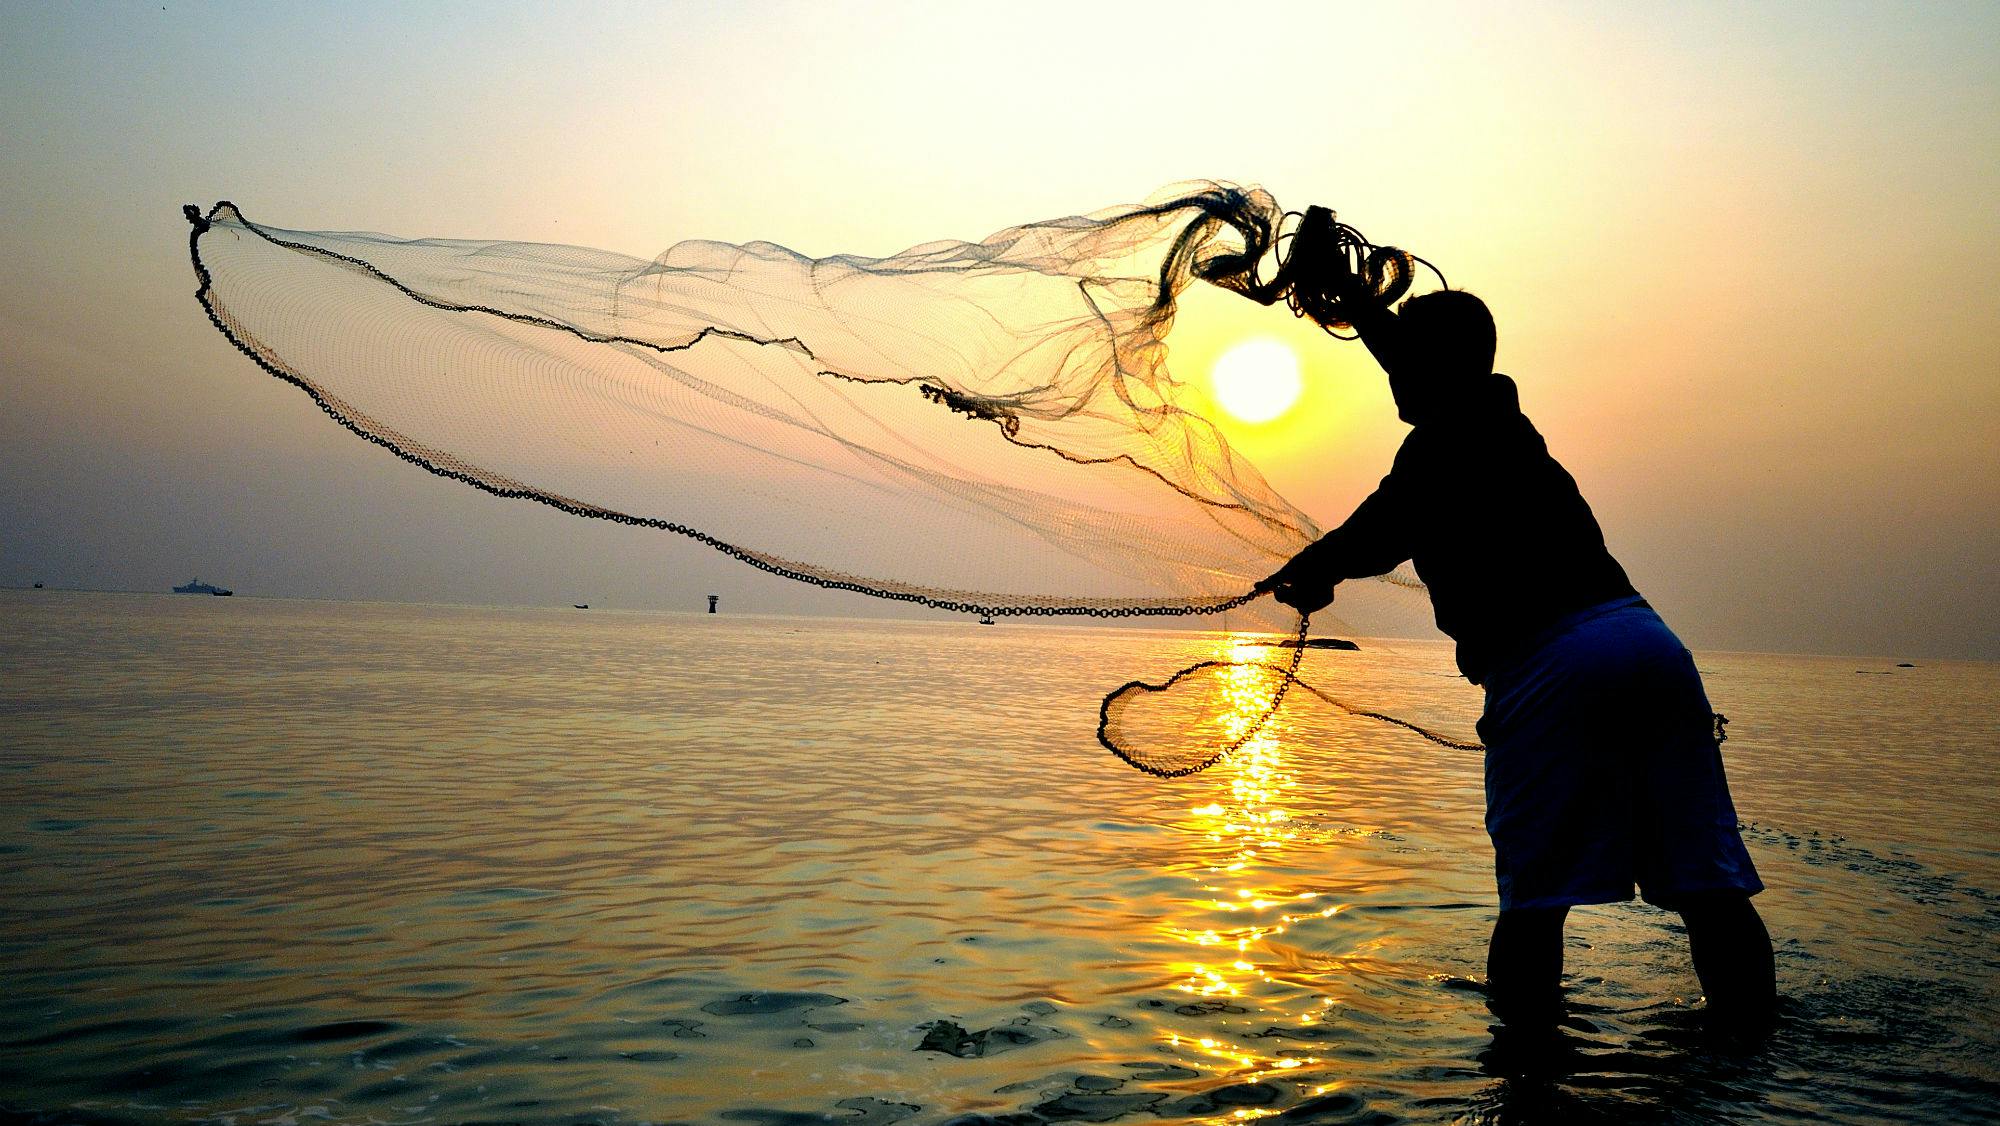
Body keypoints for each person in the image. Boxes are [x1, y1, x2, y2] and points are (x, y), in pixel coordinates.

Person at [1256, 260, 1775, 1031]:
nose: (1392, 379)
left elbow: (1377, 529)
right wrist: (1363, 308)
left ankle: (1526, 1078)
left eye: (1405, 365)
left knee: (1535, 905)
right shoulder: (1508, 426)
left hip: (1553, 662)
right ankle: (1752, 1061)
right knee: (1710, 890)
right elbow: (1414, 354)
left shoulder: (1440, 444)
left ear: (1431, 370)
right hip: (1651, 644)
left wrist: (1309, 571)